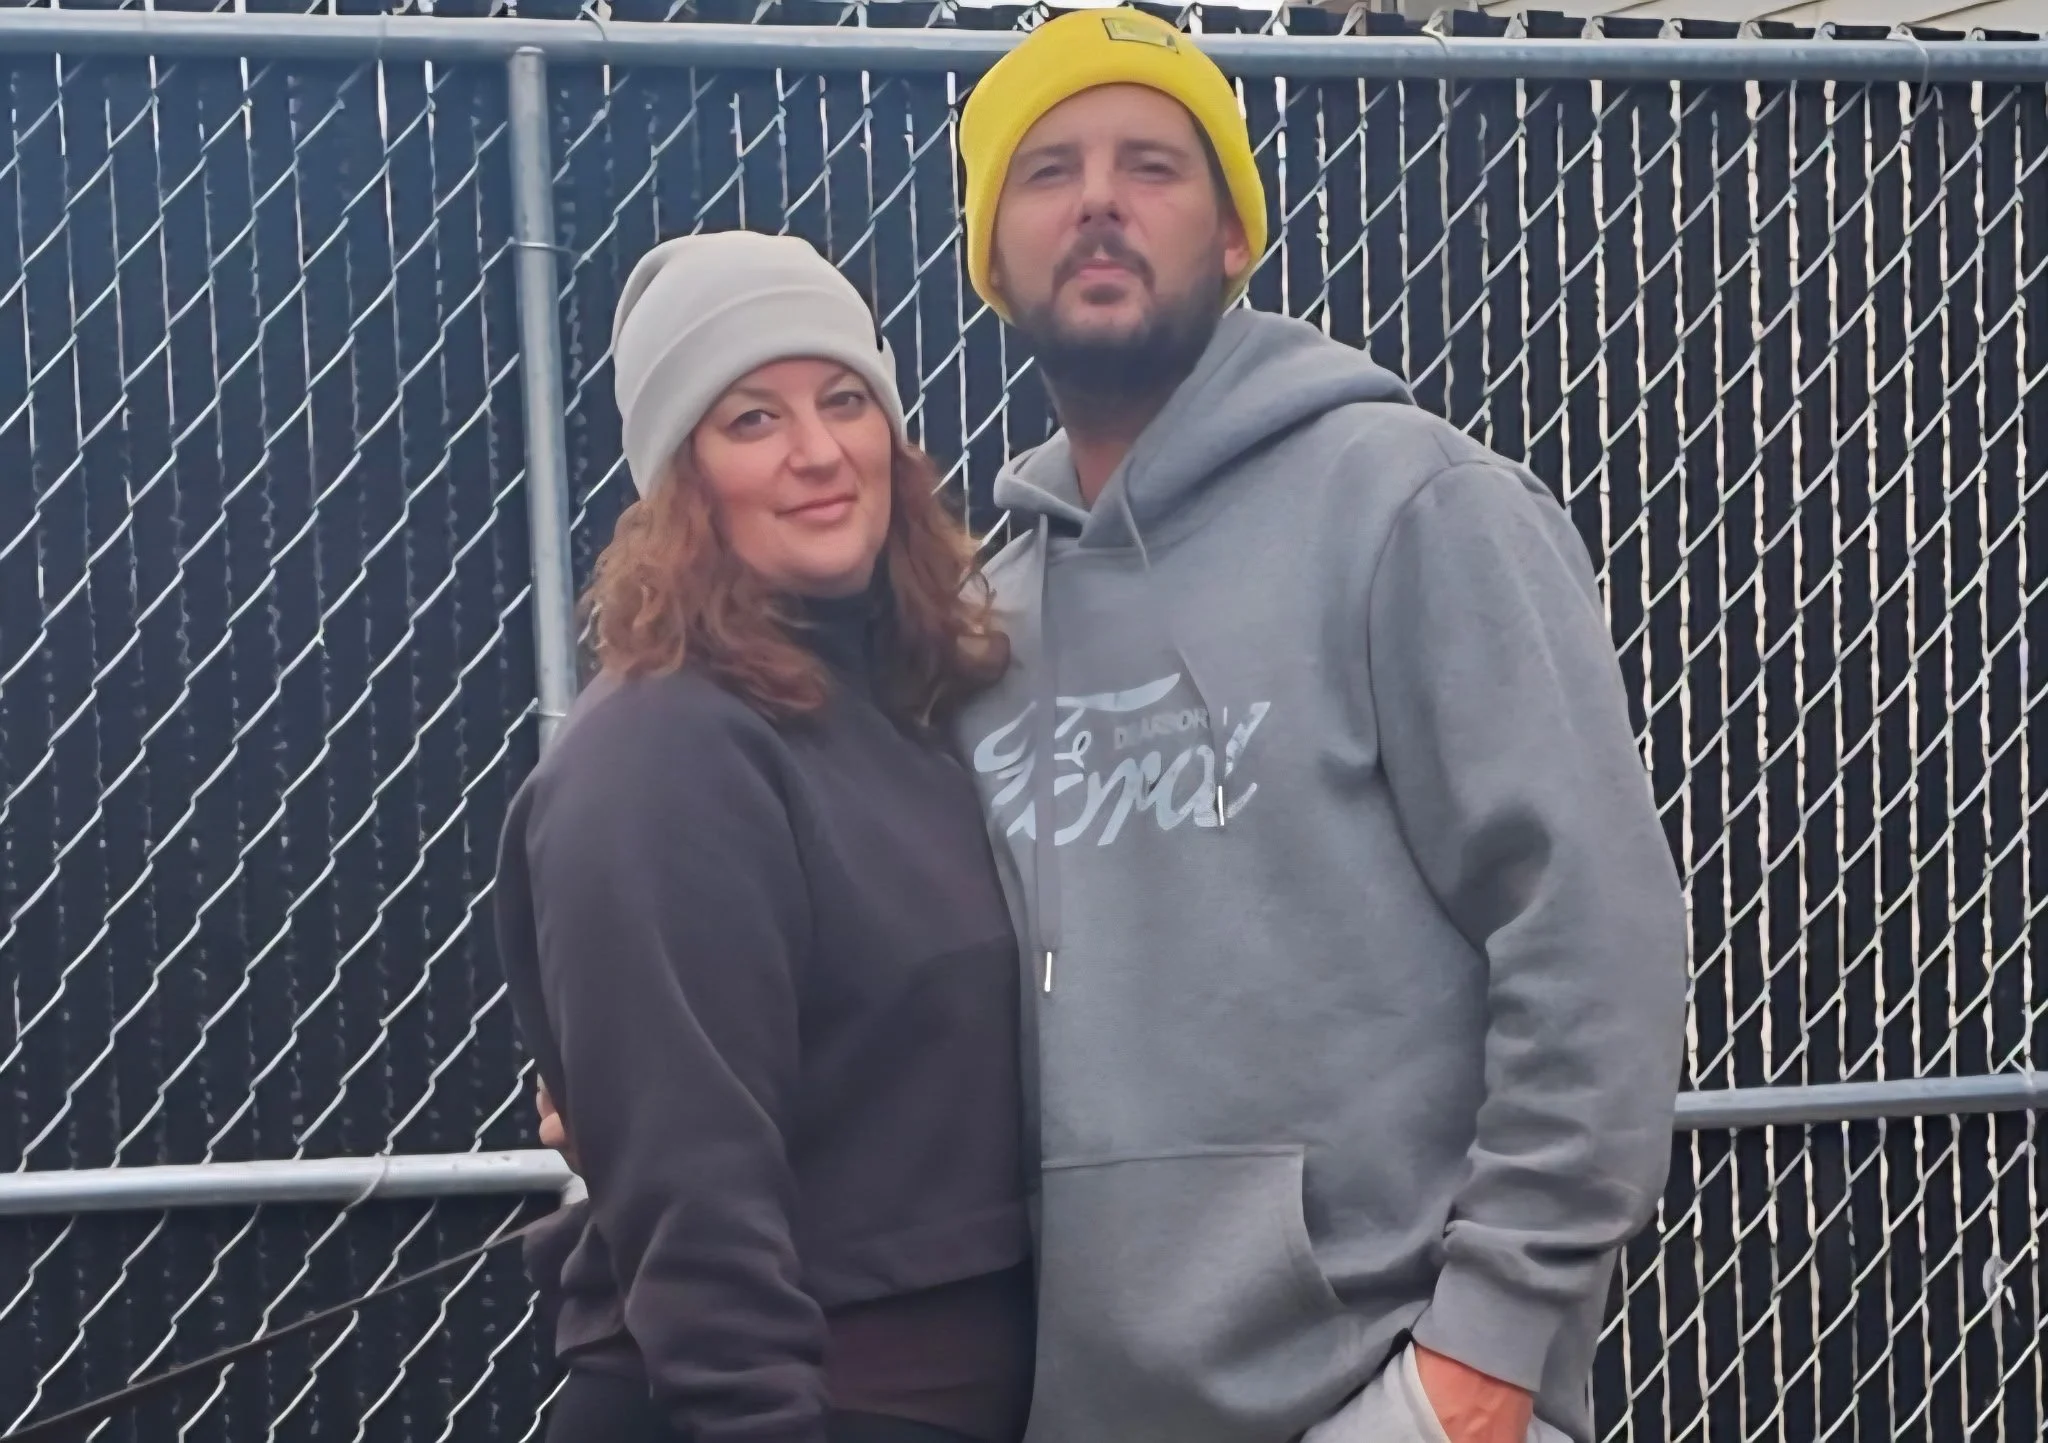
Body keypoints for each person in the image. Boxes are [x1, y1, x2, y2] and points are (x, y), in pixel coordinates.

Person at [946, 11, 1690, 1443]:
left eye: (1152, 163)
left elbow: (1593, 931)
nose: (1098, 198)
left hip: (1397, 1389)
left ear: (1234, 234)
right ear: (993, 258)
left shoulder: (1412, 504)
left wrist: (1488, 1345)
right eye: (1047, 171)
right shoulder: (984, 619)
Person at [495, 231, 1033, 1443]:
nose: (815, 453)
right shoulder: (663, 753)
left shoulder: (910, 715)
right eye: (750, 419)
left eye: (844, 401)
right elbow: (693, 1193)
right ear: (679, 478)